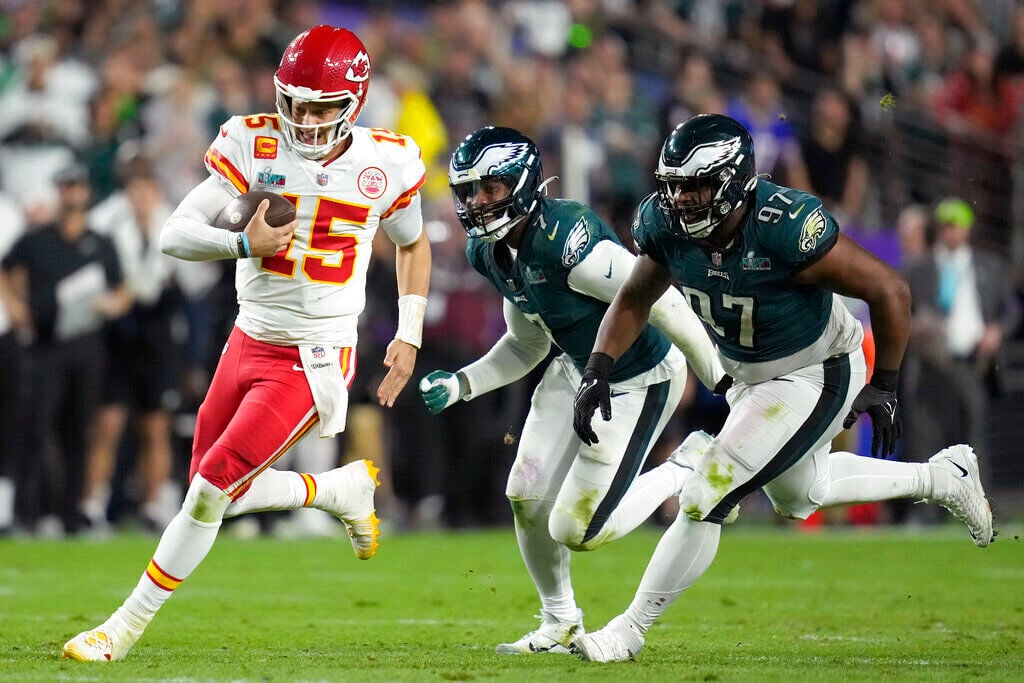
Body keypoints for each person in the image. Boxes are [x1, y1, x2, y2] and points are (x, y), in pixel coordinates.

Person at [62, 25, 432, 662]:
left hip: (314, 353)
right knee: (204, 485)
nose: (305, 119)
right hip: (247, 336)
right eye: (296, 101)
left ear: (355, 100)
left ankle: (120, 630)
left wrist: (409, 331)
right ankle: (336, 491)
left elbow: (412, 241)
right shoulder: (252, 139)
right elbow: (176, 233)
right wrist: (242, 244)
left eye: (321, 106)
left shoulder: (388, 160)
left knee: (211, 489)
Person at [570, 114, 995, 662]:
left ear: (735, 181)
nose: (682, 199)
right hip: (752, 377)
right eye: (673, 185)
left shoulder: (783, 224)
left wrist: (885, 384)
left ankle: (630, 630)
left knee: (708, 490)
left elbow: (889, 289)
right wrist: (598, 366)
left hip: (818, 368)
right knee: (800, 495)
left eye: (697, 185)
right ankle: (945, 476)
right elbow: (634, 297)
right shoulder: (666, 224)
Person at [419, 125, 727, 654]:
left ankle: (684, 466)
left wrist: (721, 379)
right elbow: (526, 344)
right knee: (525, 495)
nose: (476, 202)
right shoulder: (490, 251)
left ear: (522, 183)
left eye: (489, 188)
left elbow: (664, 303)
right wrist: (464, 383)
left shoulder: (567, 239)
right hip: (576, 370)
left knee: (578, 529)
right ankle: (559, 620)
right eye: (468, 191)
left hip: (640, 376)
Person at [0, 163, 130, 536]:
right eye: (66, 187)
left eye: (77, 186)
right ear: (59, 192)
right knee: (36, 429)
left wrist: (113, 304)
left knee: (79, 432)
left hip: (87, 346)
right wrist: (15, 307)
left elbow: (122, 289)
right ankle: (25, 515)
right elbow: (6, 269)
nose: (72, 193)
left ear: (86, 192)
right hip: (46, 345)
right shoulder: (37, 239)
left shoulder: (101, 242)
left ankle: (71, 515)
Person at [902, 198, 1020, 493]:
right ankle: (926, 509)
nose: (952, 232)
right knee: (926, 436)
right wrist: (917, 327)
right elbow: (904, 311)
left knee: (973, 432)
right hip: (931, 361)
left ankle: (977, 499)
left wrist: (997, 330)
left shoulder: (987, 266)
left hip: (971, 361)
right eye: (946, 226)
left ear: (967, 229)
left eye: (957, 226)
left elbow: (1010, 308)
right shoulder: (920, 268)